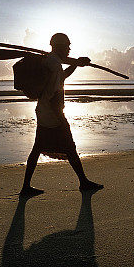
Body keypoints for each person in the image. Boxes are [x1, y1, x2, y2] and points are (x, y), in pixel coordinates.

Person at [20, 33, 103, 196]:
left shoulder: (50, 60)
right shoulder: (55, 63)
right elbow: (55, 94)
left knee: (38, 148)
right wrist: (61, 119)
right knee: (70, 148)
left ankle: (26, 187)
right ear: (59, 46)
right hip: (52, 113)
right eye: (67, 46)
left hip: (43, 111)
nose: (69, 49)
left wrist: (76, 64)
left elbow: (61, 78)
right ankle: (84, 182)